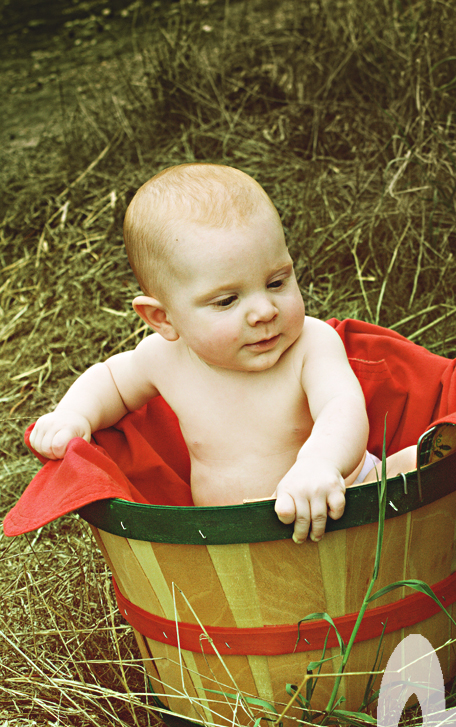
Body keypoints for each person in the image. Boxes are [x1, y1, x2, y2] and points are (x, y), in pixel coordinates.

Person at [30, 164, 415, 542]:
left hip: (340, 500)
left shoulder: (310, 344)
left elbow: (341, 406)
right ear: (163, 318)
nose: (264, 311)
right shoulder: (165, 360)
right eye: (227, 300)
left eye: (277, 282)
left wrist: (320, 463)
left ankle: (410, 477)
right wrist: (73, 414)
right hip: (229, 539)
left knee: (408, 471)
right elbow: (111, 381)